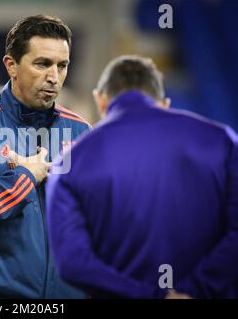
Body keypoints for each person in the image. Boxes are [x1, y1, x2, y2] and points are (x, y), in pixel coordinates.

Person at [46, 55, 238, 299]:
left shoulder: (70, 162)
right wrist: (195, 290)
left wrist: (153, 296)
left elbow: (74, 263)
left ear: (100, 100)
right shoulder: (223, 141)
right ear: (165, 103)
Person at [0, 15, 90, 298]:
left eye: (62, 66)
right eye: (42, 64)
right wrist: (24, 180)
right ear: (11, 65)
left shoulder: (80, 131)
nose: (54, 77)